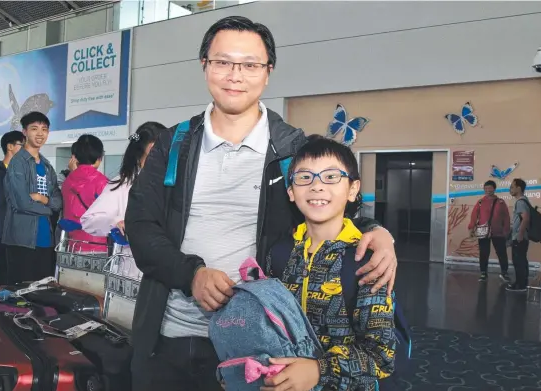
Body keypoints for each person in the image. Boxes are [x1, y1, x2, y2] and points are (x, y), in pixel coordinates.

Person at [125, 16, 398, 391]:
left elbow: (329, 198)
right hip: (170, 334)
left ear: (268, 72)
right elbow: (140, 226)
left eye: (250, 65)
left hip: (260, 344)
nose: (235, 75)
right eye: (223, 62)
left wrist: (376, 231)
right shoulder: (173, 146)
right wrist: (191, 275)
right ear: (204, 65)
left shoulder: (292, 148)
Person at [265, 136, 398, 391]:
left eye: (330, 176)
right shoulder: (279, 252)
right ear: (291, 191)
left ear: (352, 189)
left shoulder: (366, 259)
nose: (317, 186)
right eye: (305, 177)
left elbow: (381, 356)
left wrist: (319, 370)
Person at [81, 122, 167, 248]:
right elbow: (89, 221)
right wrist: (116, 223)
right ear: (140, 154)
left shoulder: (175, 181)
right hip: (132, 261)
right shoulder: (124, 184)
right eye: (154, 153)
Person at [3, 112, 62, 284]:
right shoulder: (18, 162)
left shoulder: (46, 165)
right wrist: (49, 209)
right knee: (21, 291)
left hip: (45, 238)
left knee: (42, 290)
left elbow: (58, 201)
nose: (40, 134)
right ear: (24, 132)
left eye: (44, 129)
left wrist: (43, 200)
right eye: (34, 129)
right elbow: (21, 203)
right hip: (22, 238)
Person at [0, 130, 25, 287]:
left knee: (12, 267)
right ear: (10, 146)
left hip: (15, 227)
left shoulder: (20, 171)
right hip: (0, 227)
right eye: (22, 145)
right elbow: (3, 196)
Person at [61, 134, 108, 253]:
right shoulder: (102, 182)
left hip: (72, 244)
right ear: (99, 157)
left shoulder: (67, 181)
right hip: (96, 245)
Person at [467, 180, 511, 282]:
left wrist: (506, 230)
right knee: (483, 253)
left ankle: (504, 273)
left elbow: (506, 217)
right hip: (483, 232)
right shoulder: (480, 202)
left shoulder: (501, 202)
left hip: (498, 232)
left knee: (501, 252)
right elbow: (474, 216)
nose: (488, 190)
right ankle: (483, 273)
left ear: (494, 189)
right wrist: (471, 227)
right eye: (486, 188)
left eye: (490, 188)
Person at [507, 178, 530, 292]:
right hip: (520, 237)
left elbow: (525, 218)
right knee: (521, 260)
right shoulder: (524, 200)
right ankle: (521, 283)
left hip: (520, 237)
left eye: (512, 187)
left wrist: (520, 234)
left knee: (518, 261)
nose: (510, 189)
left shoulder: (520, 201)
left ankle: (520, 285)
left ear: (518, 188)